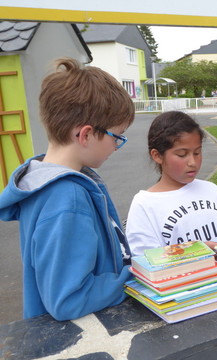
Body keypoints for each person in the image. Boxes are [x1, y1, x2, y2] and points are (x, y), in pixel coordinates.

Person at [0, 57, 134, 320]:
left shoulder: (47, 181)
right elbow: (69, 299)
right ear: (85, 135)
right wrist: (138, 277)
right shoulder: (66, 197)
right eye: (116, 137)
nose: (117, 147)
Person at [126, 111, 217, 256]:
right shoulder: (145, 204)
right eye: (182, 154)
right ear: (157, 156)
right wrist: (192, 251)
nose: (192, 162)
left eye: (197, 153)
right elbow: (145, 260)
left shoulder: (211, 190)